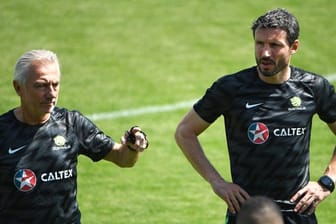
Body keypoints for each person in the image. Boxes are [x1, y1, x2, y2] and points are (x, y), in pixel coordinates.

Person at [175, 8, 336, 224]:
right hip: (247, 214)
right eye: (260, 43)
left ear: (294, 47)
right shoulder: (231, 88)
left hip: (298, 213)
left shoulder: (314, 88)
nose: (265, 53)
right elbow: (185, 132)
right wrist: (217, 182)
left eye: (274, 45)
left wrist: (327, 181)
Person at [0, 49, 149, 223]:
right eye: (41, 85)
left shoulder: (72, 124)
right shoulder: (3, 132)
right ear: (18, 87)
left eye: (55, 85)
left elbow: (122, 158)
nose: (51, 94)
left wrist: (132, 146)